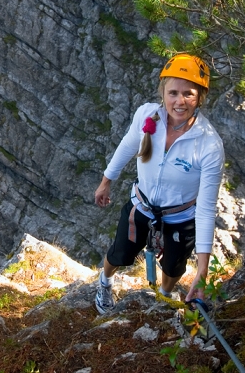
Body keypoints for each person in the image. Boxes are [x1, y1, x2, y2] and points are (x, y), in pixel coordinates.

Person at [94, 53, 225, 314]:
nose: (179, 101)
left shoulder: (209, 144)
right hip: (140, 206)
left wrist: (203, 268)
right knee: (120, 253)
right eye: (173, 93)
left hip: (181, 216)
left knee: (174, 266)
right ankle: (105, 282)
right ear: (162, 92)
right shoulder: (147, 116)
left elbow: (207, 208)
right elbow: (127, 147)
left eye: (188, 93)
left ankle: (163, 296)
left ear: (200, 97)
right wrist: (106, 181)